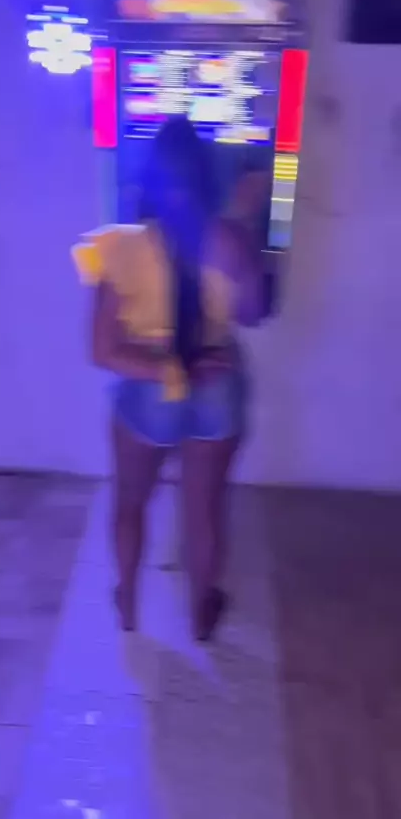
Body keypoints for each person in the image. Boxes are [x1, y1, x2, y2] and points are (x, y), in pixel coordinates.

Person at [91, 117, 263, 641]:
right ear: (207, 174)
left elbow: (102, 350)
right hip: (215, 380)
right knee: (205, 508)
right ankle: (200, 615)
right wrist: (244, 232)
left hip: (152, 388)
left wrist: (168, 369)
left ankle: (127, 602)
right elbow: (253, 314)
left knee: (130, 501)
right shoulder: (230, 236)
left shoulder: (119, 246)